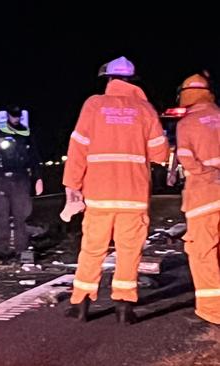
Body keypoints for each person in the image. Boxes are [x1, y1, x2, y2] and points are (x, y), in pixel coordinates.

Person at [63, 56, 169, 323]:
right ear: (134, 82)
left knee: (92, 248)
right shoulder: (145, 109)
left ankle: (81, 304)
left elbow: (77, 148)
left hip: (99, 193)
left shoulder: (93, 105)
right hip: (133, 195)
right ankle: (124, 307)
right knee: (129, 249)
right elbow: (160, 153)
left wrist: (72, 186)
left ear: (108, 79)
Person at [174, 72, 220, 325]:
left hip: (203, 198)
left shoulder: (187, 123)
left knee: (203, 253)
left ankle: (212, 311)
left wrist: (209, 173)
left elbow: (187, 160)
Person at [0, 105, 43, 261]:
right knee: (2, 215)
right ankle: (2, 251)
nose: (15, 119)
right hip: (1, 178)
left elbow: (34, 157)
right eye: (12, 116)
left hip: (21, 178)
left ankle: (21, 249)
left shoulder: (26, 134)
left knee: (21, 215)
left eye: (18, 116)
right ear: (7, 116)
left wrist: (38, 178)